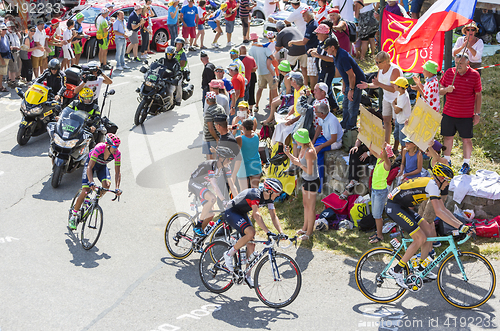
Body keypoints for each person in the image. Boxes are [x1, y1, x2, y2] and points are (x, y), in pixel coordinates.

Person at [386, 163, 471, 288]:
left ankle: (421, 269)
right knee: (420, 238)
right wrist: (459, 227)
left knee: (428, 232)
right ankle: (396, 270)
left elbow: (444, 210)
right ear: (441, 178)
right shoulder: (432, 185)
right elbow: (438, 212)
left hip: (402, 207)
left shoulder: (434, 185)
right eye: (447, 181)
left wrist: (461, 225)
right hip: (394, 207)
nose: (448, 184)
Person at [222, 178, 285, 286]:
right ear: (269, 191)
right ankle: (229, 254)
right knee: (251, 232)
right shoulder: (255, 194)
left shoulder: (269, 199)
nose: (278, 195)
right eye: (277, 193)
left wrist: (281, 232)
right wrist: (268, 232)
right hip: (231, 211)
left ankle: (247, 276)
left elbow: (273, 216)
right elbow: (256, 215)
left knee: (251, 245)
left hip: (241, 213)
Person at [68, 133, 122, 230]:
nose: (116, 148)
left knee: (106, 185)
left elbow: (118, 172)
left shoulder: (117, 153)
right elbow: (89, 167)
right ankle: (73, 216)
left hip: (102, 167)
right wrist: (91, 181)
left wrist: (117, 187)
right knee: (86, 189)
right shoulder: (99, 148)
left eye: (117, 146)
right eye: (114, 146)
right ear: (108, 145)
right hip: (90, 166)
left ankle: (91, 201)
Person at [439, 53, 481, 175]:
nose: (458, 66)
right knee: (447, 137)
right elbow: (440, 90)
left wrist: (477, 113)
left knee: (466, 139)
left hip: (466, 114)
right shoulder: (449, 73)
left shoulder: (474, 75)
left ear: (468, 63)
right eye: (456, 63)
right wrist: (446, 89)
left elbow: (478, 95)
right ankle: (446, 161)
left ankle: (466, 163)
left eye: (461, 64)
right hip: (449, 112)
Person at [189, 146, 238, 236]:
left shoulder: (226, 167)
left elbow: (232, 185)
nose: (230, 161)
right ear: (221, 158)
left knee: (211, 214)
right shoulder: (210, 166)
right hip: (194, 183)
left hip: (203, 185)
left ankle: (197, 237)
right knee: (212, 198)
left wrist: (238, 199)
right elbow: (214, 186)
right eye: (229, 159)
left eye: (231, 159)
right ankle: (198, 225)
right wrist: (223, 200)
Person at [357, 51, 402, 144]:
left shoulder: (395, 70)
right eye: (375, 62)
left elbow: (394, 89)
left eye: (378, 62)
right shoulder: (381, 69)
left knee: (396, 123)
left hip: (397, 99)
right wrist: (368, 86)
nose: (376, 64)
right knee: (386, 121)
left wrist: (379, 84)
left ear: (385, 61)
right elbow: (377, 84)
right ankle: (387, 144)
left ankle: (397, 146)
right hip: (386, 98)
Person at [284, 128, 319, 241]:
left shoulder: (309, 152)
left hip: (312, 181)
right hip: (305, 179)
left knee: (311, 208)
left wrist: (299, 164)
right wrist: (288, 154)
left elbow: (309, 170)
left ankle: (309, 233)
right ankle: (304, 228)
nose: (295, 141)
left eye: (297, 139)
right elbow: (297, 161)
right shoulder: (303, 149)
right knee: (305, 205)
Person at [323, 37, 365, 130]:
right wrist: (344, 85)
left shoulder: (342, 56)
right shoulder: (335, 55)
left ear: (333, 47)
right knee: (345, 105)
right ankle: (344, 125)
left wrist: (351, 90)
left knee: (352, 106)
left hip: (357, 83)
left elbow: (352, 75)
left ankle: (351, 128)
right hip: (349, 82)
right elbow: (344, 73)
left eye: (326, 48)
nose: (326, 51)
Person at [312, 102, 343, 193]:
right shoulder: (323, 117)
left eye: (316, 112)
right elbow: (319, 128)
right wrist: (313, 141)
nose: (315, 113)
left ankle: (320, 183)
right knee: (313, 147)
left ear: (321, 113)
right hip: (326, 138)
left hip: (335, 142)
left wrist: (320, 147)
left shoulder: (332, 120)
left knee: (317, 151)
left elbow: (333, 139)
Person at [368, 143, 394, 244]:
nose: (378, 152)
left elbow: (386, 157)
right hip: (375, 190)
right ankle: (377, 232)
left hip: (380, 192)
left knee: (377, 215)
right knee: (375, 215)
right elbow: (371, 149)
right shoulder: (379, 159)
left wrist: (383, 147)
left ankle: (379, 236)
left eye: (381, 151)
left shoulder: (387, 163)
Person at [309, 23, 338, 111]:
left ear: (324, 34)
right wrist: (313, 50)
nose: (316, 35)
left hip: (327, 70)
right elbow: (320, 51)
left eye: (318, 33)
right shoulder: (321, 42)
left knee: (323, 90)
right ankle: (334, 107)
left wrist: (318, 56)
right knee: (326, 88)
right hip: (322, 70)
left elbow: (332, 59)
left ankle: (326, 108)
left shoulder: (329, 43)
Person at [288, 6, 319, 88]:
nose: (302, 16)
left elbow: (304, 42)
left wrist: (292, 42)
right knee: (312, 74)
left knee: (312, 75)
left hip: (312, 54)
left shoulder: (312, 25)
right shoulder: (311, 23)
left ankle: (313, 91)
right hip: (312, 52)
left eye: (304, 14)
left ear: (310, 15)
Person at [275, 21, 308, 85]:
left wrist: (282, 44)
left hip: (293, 50)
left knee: (286, 69)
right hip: (304, 48)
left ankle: (288, 87)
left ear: (277, 29)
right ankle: (305, 86)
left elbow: (277, 48)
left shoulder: (280, 33)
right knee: (304, 68)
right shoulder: (293, 28)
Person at [248, 39, 277, 113]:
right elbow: (272, 57)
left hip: (260, 72)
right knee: (273, 89)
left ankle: (257, 106)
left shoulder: (251, 49)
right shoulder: (265, 48)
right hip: (269, 72)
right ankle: (273, 107)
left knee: (260, 89)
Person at [233, 118, 262, 190]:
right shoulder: (257, 135)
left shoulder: (239, 138)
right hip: (256, 165)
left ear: (243, 127)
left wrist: (237, 128)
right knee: (255, 191)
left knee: (244, 192)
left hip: (244, 167)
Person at [203, 91, 226, 159]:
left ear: (207, 100)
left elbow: (210, 128)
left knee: (211, 158)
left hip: (211, 138)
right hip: (221, 135)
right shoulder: (221, 108)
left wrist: (216, 138)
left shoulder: (208, 111)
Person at [392, 76, 411, 154]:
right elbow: (396, 101)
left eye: (395, 84)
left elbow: (396, 110)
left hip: (403, 122)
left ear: (400, 87)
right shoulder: (401, 93)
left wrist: (393, 105)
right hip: (399, 120)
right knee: (396, 135)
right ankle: (395, 149)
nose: (394, 85)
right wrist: (395, 105)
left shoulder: (404, 97)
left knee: (403, 141)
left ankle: (403, 156)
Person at [6, 21, 21, 87]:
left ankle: (10, 80)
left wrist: (17, 31)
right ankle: (13, 81)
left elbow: (19, 37)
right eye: (10, 26)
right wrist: (14, 47)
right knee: (13, 68)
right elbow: (7, 46)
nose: (12, 28)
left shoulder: (14, 33)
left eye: (13, 26)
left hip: (16, 52)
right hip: (11, 52)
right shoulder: (7, 35)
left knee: (13, 67)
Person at [0, 24, 11, 92]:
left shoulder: (6, 37)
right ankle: (0, 87)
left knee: (3, 73)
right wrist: (1, 59)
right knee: (1, 73)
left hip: (6, 56)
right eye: (3, 29)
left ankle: (0, 85)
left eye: (5, 29)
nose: (5, 31)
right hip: (2, 57)